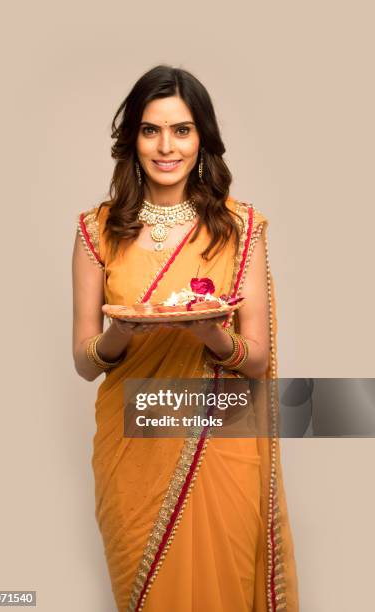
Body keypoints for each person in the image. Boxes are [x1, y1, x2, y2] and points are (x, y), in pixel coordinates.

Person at [72, 65, 299, 612]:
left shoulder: (239, 227)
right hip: (132, 443)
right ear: (132, 140)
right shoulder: (95, 230)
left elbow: (256, 357)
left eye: (182, 129)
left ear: (203, 139)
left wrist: (211, 335)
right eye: (151, 130)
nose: (166, 146)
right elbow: (84, 360)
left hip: (221, 442)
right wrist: (119, 334)